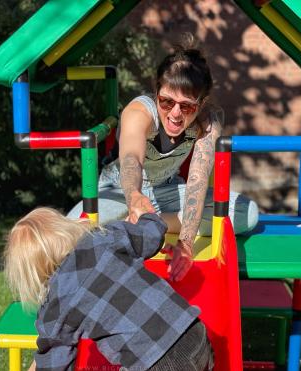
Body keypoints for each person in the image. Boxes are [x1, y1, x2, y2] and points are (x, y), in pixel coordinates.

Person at [68, 34, 258, 282]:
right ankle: (135, 220)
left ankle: (151, 223)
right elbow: (130, 159)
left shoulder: (208, 123)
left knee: (248, 213)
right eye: (167, 101)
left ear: (201, 104)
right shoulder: (139, 112)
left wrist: (186, 242)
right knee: (73, 232)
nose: (175, 114)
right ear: (156, 91)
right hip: (120, 190)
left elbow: (198, 181)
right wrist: (135, 197)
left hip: (168, 191)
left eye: (186, 106)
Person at [3, 207, 214, 371]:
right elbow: (151, 234)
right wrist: (148, 217)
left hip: (156, 365)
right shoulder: (102, 238)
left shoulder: (55, 307)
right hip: (196, 335)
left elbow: (52, 366)